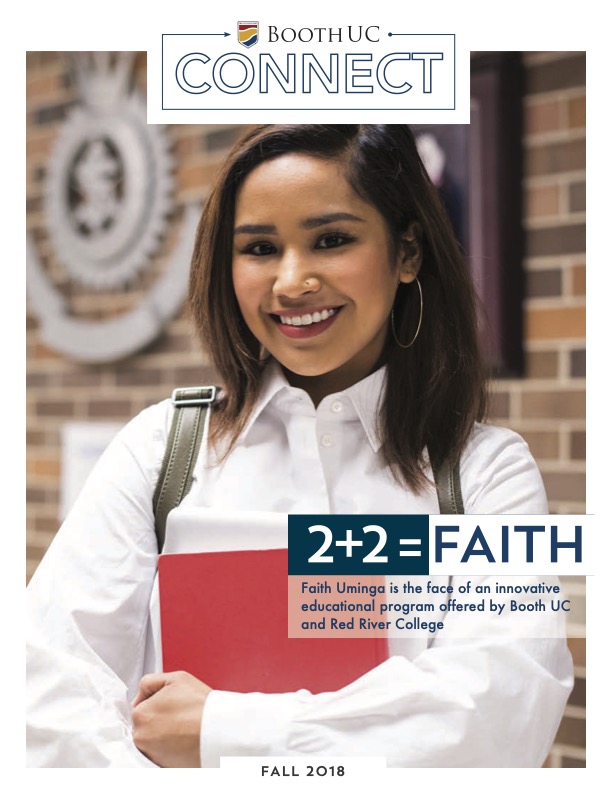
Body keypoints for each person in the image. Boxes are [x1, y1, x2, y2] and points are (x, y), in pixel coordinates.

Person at [26, 124, 573, 768]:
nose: (291, 281)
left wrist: (222, 730)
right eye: (259, 248)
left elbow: (501, 710)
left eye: (331, 240)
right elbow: (47, 695)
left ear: (408, 252)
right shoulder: (159, 452)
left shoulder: (484, 473)